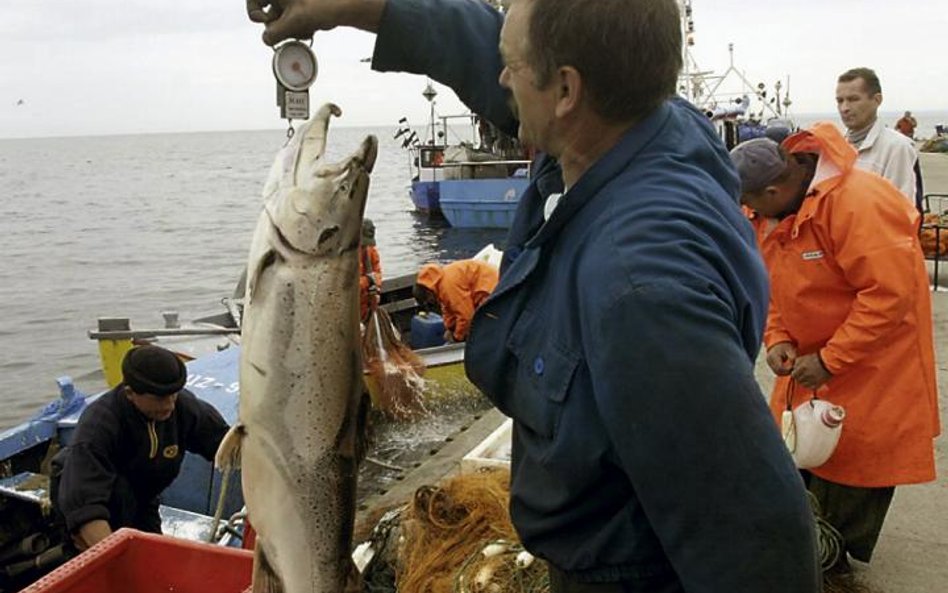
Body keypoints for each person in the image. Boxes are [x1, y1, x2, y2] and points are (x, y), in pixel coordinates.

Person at [247, 0, 820, 590]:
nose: (498, 80)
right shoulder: (642, 119)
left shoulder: (642, 291)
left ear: (566, 90)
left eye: (510, 66)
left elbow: (757, 541)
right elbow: (481, 44)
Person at [730, 130, 939, 570]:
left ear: (773, 190)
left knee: (857, 463)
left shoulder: (856, 204)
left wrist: (831, 359)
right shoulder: (773, 214)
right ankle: (806, 544)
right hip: (811, 363)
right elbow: (770, 283)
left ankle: (830, 556)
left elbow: (888, 296)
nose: (747, 214)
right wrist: (779, 337)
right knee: (793, 457)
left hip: (875, 363)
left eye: (750, 204)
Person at [51, 345, 229, 552]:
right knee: (114, 569)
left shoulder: (182, 407)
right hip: (95, 503)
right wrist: (116, 557)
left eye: (174, 395)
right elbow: (85, 510)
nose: (170, 405)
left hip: (143, 499)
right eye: (160, 398)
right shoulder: (99, 426)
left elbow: (226, 444)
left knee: (155, 559)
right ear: (130, 393)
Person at [836, 67, 922, 209]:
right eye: (840, 101)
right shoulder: (836, 148)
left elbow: (904, 213)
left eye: (853, 99)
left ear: (877, 100)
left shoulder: (897, 148)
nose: (844, 108)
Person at [413, 259, 498, 342]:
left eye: (428, 301)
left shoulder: (448, 286)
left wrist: (457, 338)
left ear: (428, 293)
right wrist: (450, 328)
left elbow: (467, 316)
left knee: (483, 327)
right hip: (483, 287)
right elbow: (448, 309)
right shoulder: (440, 284)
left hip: (491, 289)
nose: (431, 303)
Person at [359, 218, 382, 322]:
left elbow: (377, 271)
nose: (365, 246)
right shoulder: (345, 255)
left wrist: (376, 289)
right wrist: (367, 281)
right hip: (351, 306)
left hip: (368, 303)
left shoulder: (371, 250)